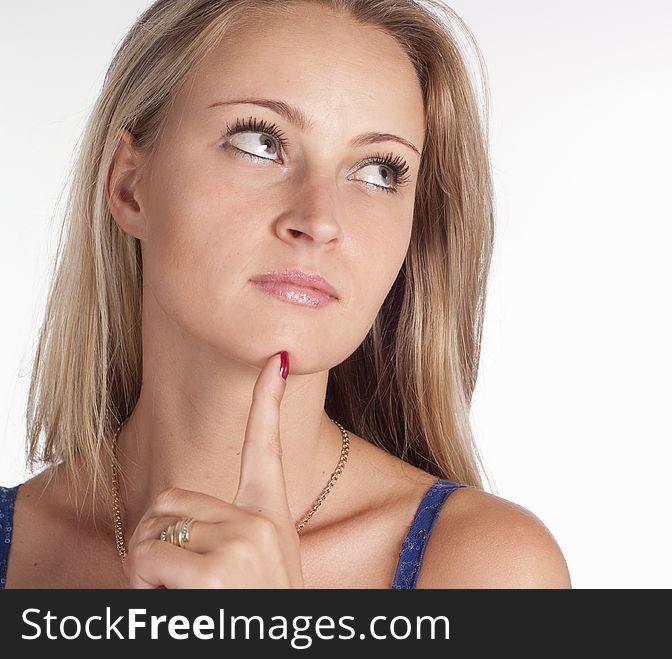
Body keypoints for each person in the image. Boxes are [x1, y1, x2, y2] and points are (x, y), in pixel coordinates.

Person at [0, 0, 570, 589]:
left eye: (379, 171)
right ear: (129, 185)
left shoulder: (490, 570)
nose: (319, 220)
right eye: (259, 142)